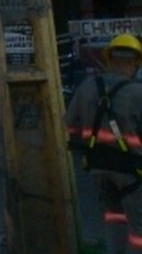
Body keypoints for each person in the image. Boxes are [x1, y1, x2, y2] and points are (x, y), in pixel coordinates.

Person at [66, 33, 142, 253]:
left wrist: (84, 145)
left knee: (115, 220)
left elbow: (70, 125)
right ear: (136, 63)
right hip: (133, 172)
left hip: (99, 168)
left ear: (109, 60)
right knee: (139, 231)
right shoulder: (137, 93)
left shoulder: (87, 87)